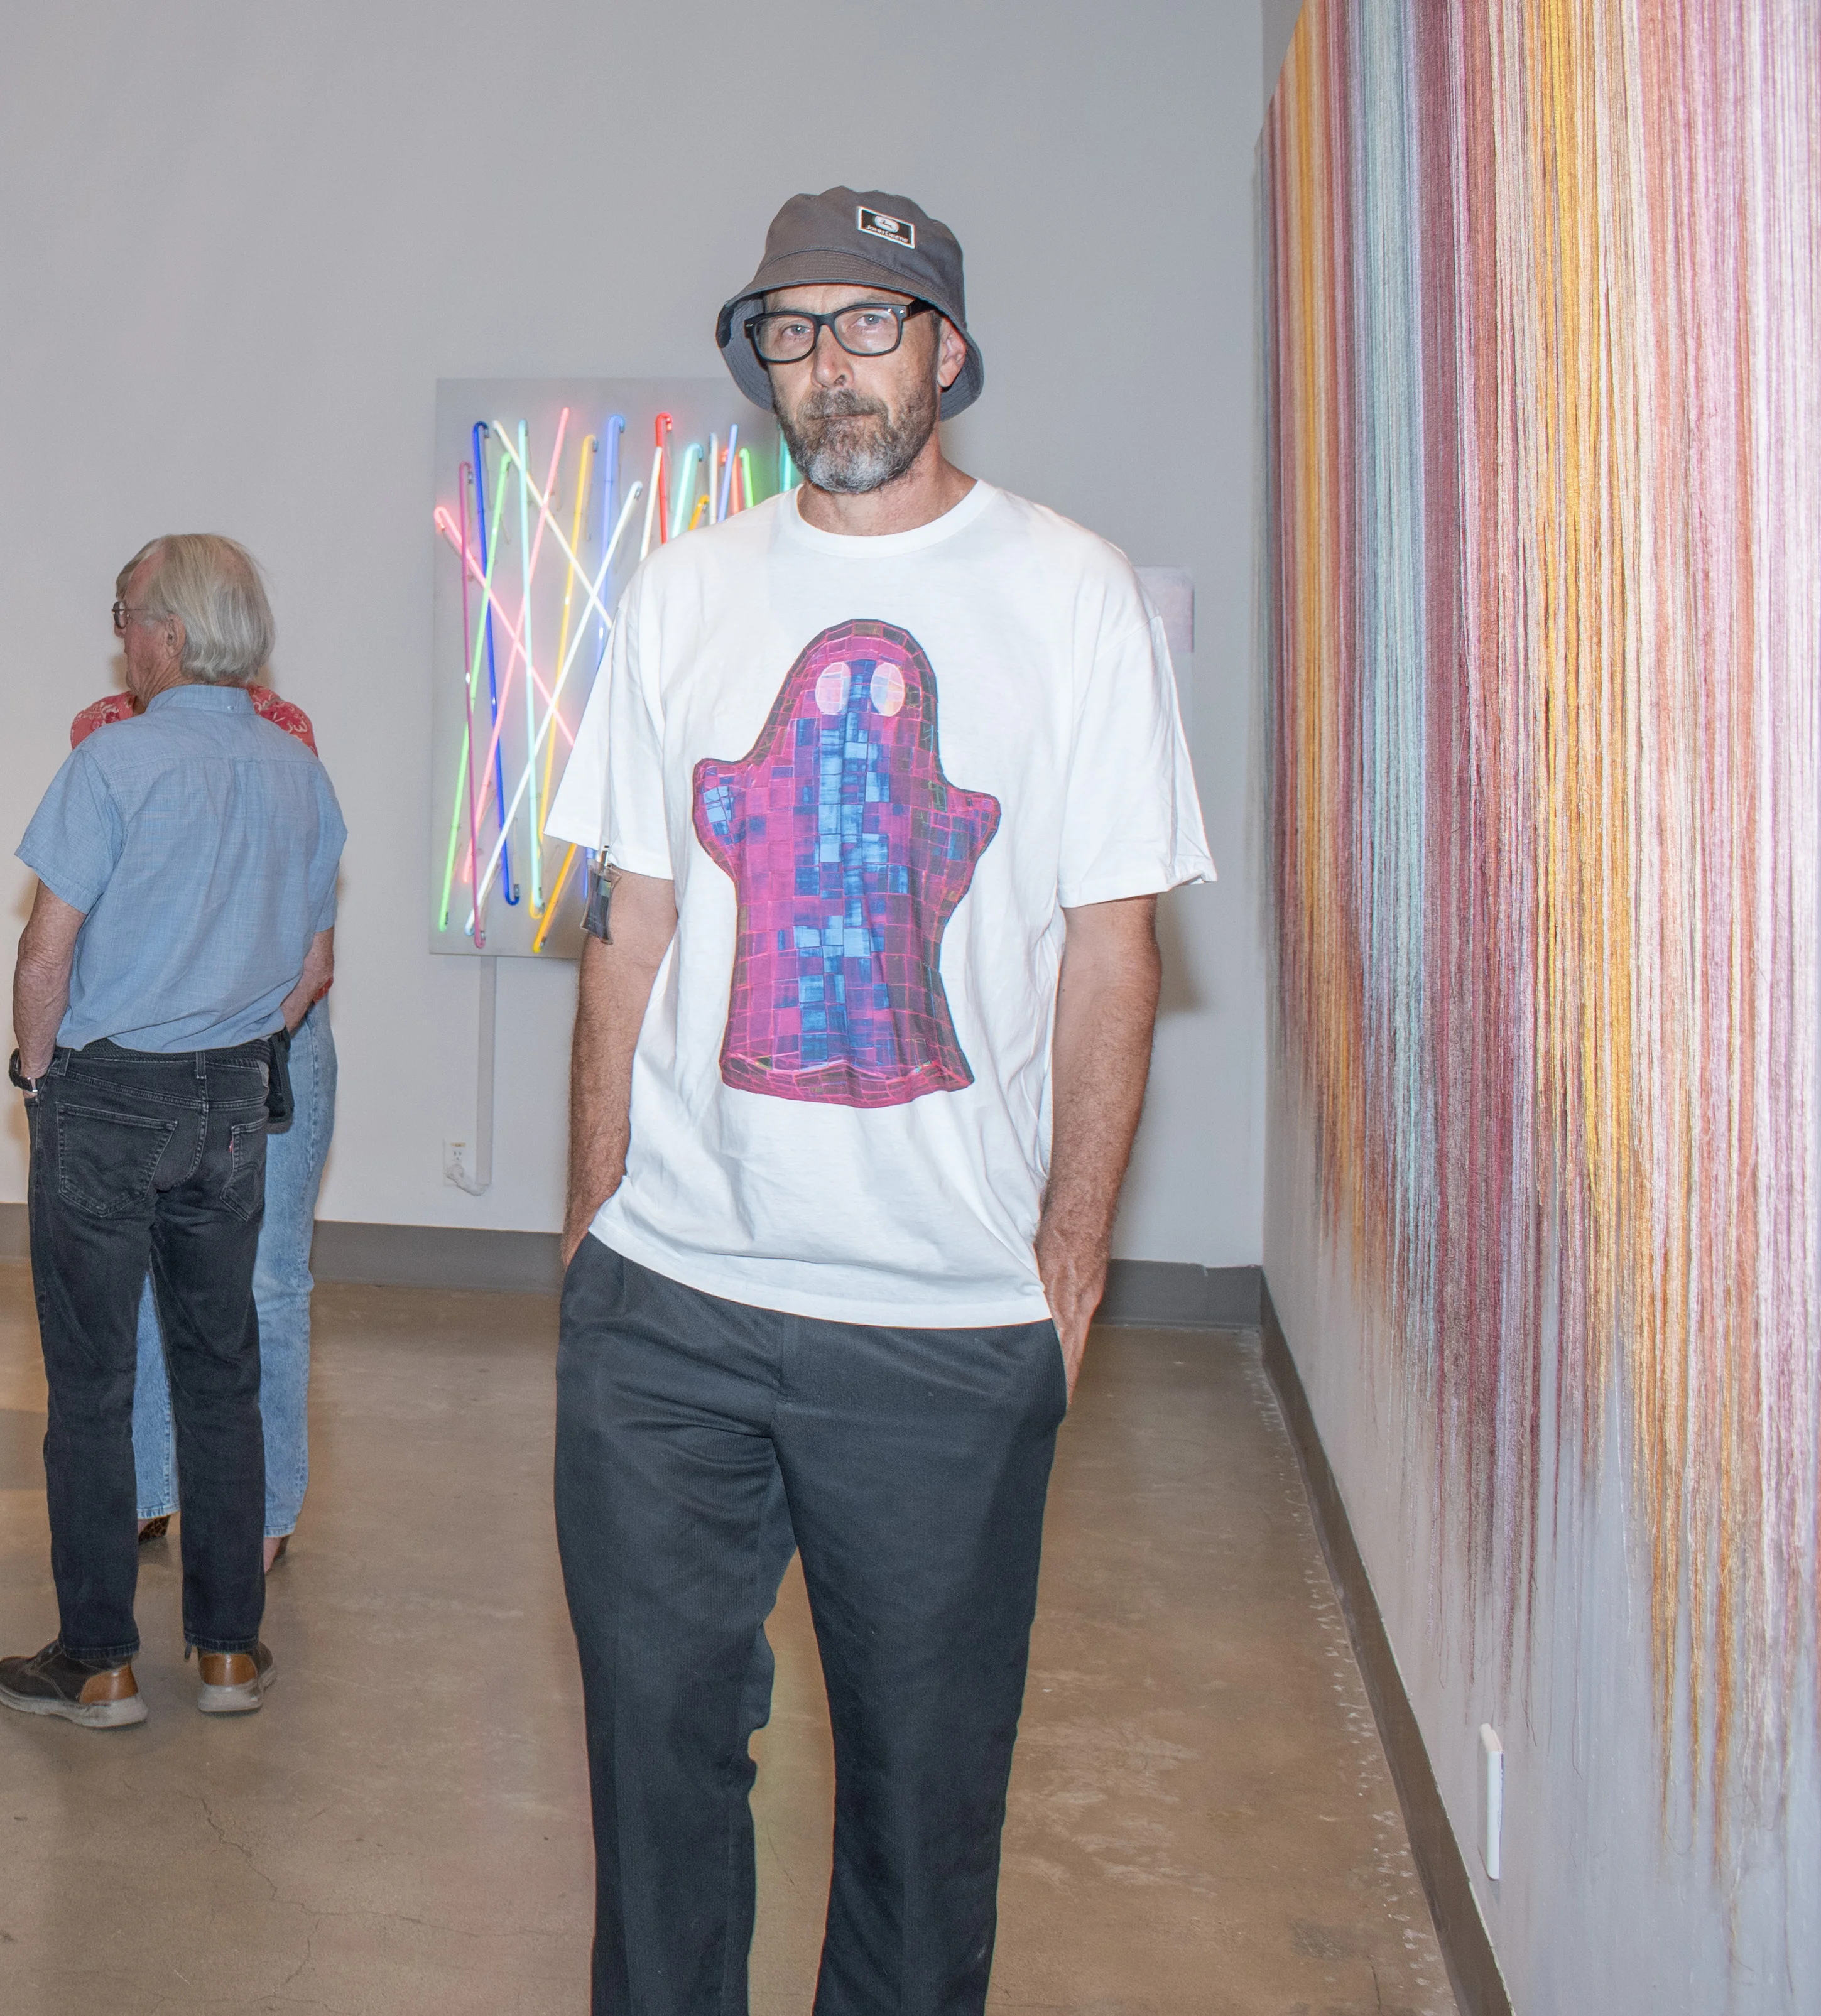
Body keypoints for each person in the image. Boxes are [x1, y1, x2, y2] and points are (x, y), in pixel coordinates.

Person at [539, 188, 1211, 2012]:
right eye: (787, 328)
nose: (822, 365)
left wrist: (1064, 1274)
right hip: (669, 1317)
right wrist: (590, 1241)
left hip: (937, 1325)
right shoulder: (683, 589)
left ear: (944, 348)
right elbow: (631, 935)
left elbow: (1107, 952)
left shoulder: (1066, 595)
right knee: (652, 1797)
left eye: (863, 323)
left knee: (918, 1837)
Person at [0, 534, 342, 1730]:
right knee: (221, 1371)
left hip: (111, 1094)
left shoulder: (115, 764)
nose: (120, 636)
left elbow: (47, 951)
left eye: (127, 615)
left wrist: (39, 1078)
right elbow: (307, 966)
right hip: (235, 1098)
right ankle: (230, 1653)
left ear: (173, 634)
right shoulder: (299, 773)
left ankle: (96, 1662)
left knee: (92, 1387)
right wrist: (236, 1038)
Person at [70, 671, 332, 1574]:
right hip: (143, 1049)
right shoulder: (101, 731)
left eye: (137, 613)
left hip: (268, 1035)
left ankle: (260, 1505)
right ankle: (149, 1487)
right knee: (140, 1271)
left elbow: (311, 949)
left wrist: (231, 1055)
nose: (126, 635)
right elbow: (91, 914)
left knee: (267, 1279)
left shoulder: (286, 734)